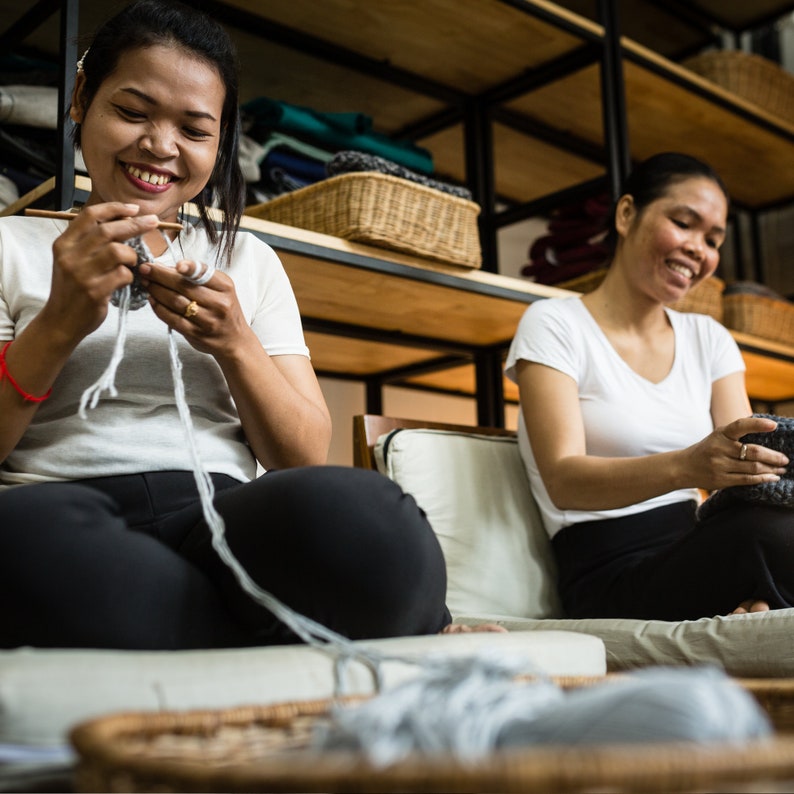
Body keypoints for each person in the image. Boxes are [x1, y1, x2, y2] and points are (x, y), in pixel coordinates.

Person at [0, 0, 457, 650]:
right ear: (80, 99)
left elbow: (299, 457)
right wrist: (57, 325)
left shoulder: (249, 260)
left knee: (372, 517)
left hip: (223, 517)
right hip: (64, 513)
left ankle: (157, 625)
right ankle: (265, 628)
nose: (159, 146)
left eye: (194, 129)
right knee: (21, 544)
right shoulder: (9, 245)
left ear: (220, 142)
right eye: (132, 112)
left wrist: (235, 342)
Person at [505, 152, 792, 622]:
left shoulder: (710, 339)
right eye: (683, 222)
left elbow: (748, 465)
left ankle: (759, 598)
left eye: (713, 239)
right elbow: (562, 481)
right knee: (764, 532)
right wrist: (686, 466)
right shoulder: (554, 324)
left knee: (768, 522)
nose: (700, 248)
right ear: (625, 215)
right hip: (609, 572)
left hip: (704, 545)